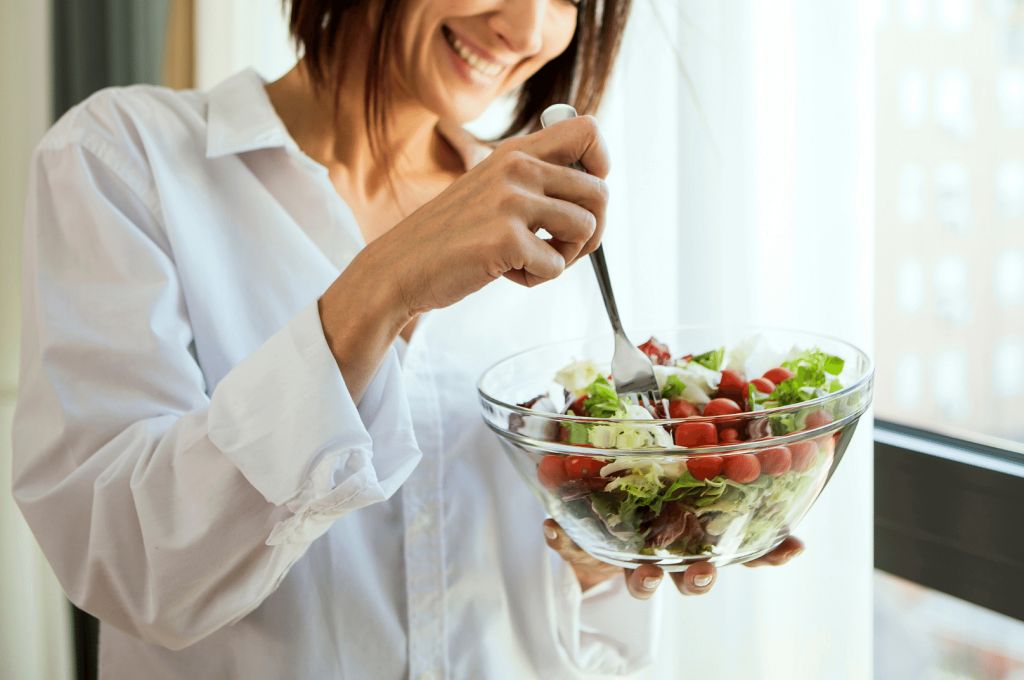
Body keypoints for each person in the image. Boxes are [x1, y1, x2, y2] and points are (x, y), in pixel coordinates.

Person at [12, 0, 802, 677]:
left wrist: (605, 553)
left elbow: (574, 643)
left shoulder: (543, 225)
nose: (527, 26)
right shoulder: (123, 159)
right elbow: (126, 563)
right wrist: (381, 287)